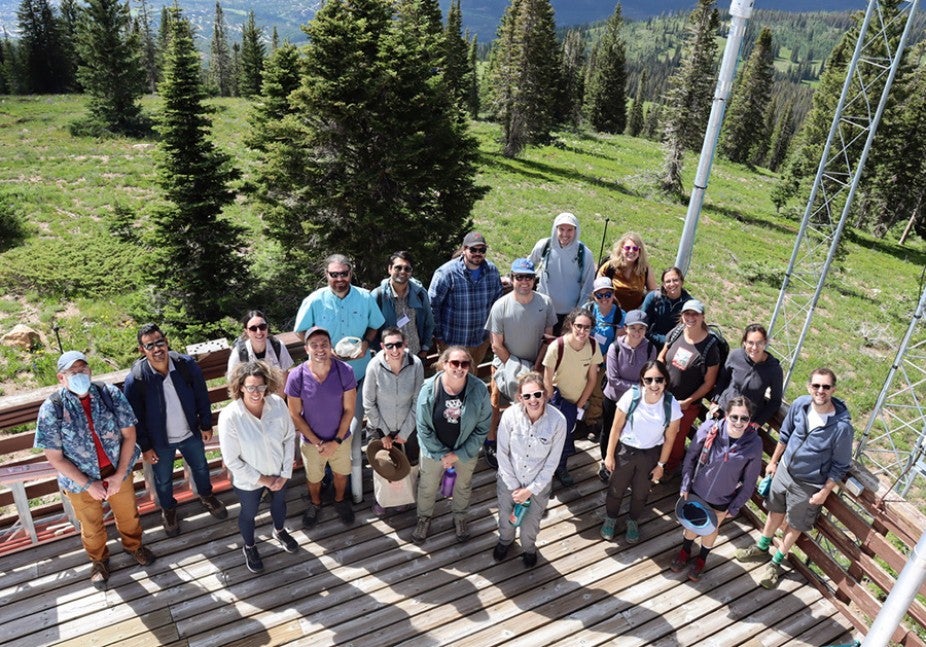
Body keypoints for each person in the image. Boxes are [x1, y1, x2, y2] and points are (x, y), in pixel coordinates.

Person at [35, 351, 155, 590]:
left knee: (128, 514)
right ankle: (99, 561)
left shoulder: (108, 393)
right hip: (80, 482)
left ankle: (134, 546)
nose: (80, 375)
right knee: (90, 525)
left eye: (83, 369)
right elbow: (54, 457)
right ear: (61, 378)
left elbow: (129, 434)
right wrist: (89, 484)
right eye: (73, 372)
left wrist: (119, 475)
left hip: (116, 470)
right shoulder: (52, 408)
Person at [736, 368, 854, 590]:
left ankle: (776, 563)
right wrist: (773, 462)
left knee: (797, 524)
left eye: (826, 387)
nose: (820, 391)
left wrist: (824, 492)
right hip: (784, 470)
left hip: (809, 484)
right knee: (775, 510)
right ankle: (762, 548)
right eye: (816, 386)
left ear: (833, 390)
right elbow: (785, 434)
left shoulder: (841, 427)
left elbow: (841, 465)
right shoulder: (800, 404)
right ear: (809, 387)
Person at [293, 254, 385, 504]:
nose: (339, 279)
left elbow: (375, 325)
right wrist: (321, 349)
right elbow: (301, 330)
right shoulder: (314, 300)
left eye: (344, 274)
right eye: (334, 274)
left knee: (350, 431)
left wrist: (366, 342)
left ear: (350, 273)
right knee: (327, 428)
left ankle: (348, 481)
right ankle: (327, 476)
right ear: (326, 275)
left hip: (357, 376)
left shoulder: (365, 297)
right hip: (326, 382)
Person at [124, 323, 227, 538]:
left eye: (159, 342)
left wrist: (206, 424)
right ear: (142, 350)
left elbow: (201, 395)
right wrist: (145, 446)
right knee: (162, 479)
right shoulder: (136, 379)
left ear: (166, 341)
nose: (156, 349)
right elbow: (135, 418)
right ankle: (168, 509)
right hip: (160, 441)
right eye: (149, 345)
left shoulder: (185, 365)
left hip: (190, 432)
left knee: (200, 467)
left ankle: (206, 496)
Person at [671, 396, 763, 581]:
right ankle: (685, 550)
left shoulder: (754, 444)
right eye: (734, 417)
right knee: (691, 525)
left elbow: (750, 481)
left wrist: (735, 505)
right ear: (726, 415)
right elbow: (691, 458)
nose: (738, 422)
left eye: (744, 418)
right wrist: (685, 483)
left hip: (723, 499)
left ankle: (701, 559)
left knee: (710, 530)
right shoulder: (709, 429)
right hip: (697, 490)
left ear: (750, 420)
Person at [219, 361, 297, 573]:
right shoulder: (229, 416)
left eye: (260, 387)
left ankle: (279, 531)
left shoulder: (278, 404)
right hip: (248, 481)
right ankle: (250, 546)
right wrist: (264, 480)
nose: (256, 392)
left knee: (279, 505)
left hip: (279, 472)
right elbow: (232, 460)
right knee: (248, 513)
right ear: (240, 387)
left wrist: (284, 474)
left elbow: (290, 437)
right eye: (250, 387)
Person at [412, 346, 491, 545]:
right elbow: (422, 427)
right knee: (427, 486)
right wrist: (442, 454)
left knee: (462, 486)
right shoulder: (429, 388)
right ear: (444, 364)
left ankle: (460, 517)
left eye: (464, 363)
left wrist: (457, 455)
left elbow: (482, 428)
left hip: (465, 451)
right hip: (432, 451)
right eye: (454, 363)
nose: (459, 367)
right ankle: (424, 517)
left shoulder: (479, 389)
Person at [600, 360, 682, 544]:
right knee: (616, 488)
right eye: (649, 380)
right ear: (642, 381)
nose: (654, 385)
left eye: (659, 380)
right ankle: (611, 518)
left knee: (641, 492)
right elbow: (615, 428)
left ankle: (632, 521)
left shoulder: (672, 405)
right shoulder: (631, 397)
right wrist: (610, 455)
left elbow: (670, 439)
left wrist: (661, 465)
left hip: (650, 454)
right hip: (625, 451)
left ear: (666, 381)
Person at [484, 258, 556, 462]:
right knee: (495, 403)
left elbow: (548, 338)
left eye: (529, 277)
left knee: (533, 405)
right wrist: (517, 367)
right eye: (519, 277)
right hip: (505, 364)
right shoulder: (500, 306)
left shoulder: (546, 303)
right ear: (512, 279)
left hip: (536, 365)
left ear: (534, 279)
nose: (524, 281)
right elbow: (496, 344)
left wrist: (535, 367)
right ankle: (491, 441)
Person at [285, 327, 358, 527]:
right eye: (314, 345)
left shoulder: (345, 371)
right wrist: (317, 443)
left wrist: (335, 441)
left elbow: (349, 410)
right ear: (306, 348)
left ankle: (340, 500)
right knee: (314, 477)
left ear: (330, 346)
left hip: (340, 438)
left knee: (341, 475)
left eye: (324, 344)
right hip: (311, 442)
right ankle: (315, 503)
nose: (320, 349)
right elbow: (295, 414)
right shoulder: (296, 376)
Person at [493, 371, 566, 568]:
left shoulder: (559, 421)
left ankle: (529, 548)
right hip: (509, 480)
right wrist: (515, 487)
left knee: (530, 525)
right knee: (506, 518)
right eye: (527, 396)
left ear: (545, 394)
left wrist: (529, 490)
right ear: (520, 398)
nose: (533, 400)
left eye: (537, 394)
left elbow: (552, 463)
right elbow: (502, 452)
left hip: (538, 486)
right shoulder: (509, 416)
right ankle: (505, 541)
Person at [363, 327, 425, 515]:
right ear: (382, 346)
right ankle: (383, 500)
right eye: (389, 346)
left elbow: (418, 401)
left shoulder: (416, 364)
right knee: (384, 465)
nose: (395, 350)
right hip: (380, 426)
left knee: (409, 464)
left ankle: (404, 498)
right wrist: (383, 434)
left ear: (405, 343)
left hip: (408, 425)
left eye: (398, 344)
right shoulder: (374, 365)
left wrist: (405, 432)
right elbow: (368, 403)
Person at [658, 299, 721, 473]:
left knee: (677, 439)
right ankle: (656, 462)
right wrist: (658, 383)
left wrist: (688, 401)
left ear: (703, 317)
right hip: (663, 396)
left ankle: (669, 468)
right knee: (658, 430)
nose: (690, 317)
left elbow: (709, 382)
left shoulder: (710, 347)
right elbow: (661, 357)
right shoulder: (677, 331)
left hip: (686, 406)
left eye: (695, 314)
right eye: (687, 313)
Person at [542, 308, 603, 486]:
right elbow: (547, 377)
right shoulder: (557, 346)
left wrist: (579, 406)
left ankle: (561, 467)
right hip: (556, 399)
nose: (582, 331)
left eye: (587, 327)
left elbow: (592, 379)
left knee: (567, 437)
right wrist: (551, 403)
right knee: (549, 438)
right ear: (570, 325)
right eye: (578, 326)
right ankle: (544, 474)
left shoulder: (593, 346)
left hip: (575, 402)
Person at [428, 231, 503, 370]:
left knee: (471, 378)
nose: (477, 253)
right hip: (452, 342)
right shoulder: (446, 273)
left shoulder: (492, 271)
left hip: (480, 340)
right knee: (449, 380)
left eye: (482, 250)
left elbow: (497, 304)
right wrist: (439, 336)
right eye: (473, 249)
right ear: (464, 249)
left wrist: (490, 335)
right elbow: (433, 306)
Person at [599, 310, 658, 482]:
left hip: (636, 402)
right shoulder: (614, 348)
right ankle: (605, 461)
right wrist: (639, 388)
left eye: (641, 328)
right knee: (609, 430)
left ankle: (623, 463)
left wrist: (642, 389)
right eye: (633, 328)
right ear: (625, 328)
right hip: (614, 399)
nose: (637, 332)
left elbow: (650, 376)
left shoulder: (650, 349)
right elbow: (613, 380)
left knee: (629, 432)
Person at [528, 212, 596, 335]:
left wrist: (578, 314)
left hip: (569, 316)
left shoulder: (585, 254)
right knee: (540, 346)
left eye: (570, 230)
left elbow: (587, 287)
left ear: (576, 231)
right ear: (555, 229)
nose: (565, 234)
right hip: (543, 310)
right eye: (561, 229)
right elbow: (528, 266)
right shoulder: (544, 246)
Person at [712, 324, 783, 428]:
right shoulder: (735, 356)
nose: (754, 347)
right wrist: (715, 400)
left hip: (744, 422)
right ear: (744, 342)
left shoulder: (774, 369)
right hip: (722, 412)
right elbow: (723, 378)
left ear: (765, 343)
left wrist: (758, 422)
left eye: (759, 343)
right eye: (750, 342)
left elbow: (775, 401)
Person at [371, 251, 435, 359]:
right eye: (398, 267)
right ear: (390, 269)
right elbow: (371, 329)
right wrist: (380, 353)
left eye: (407, 268)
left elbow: (429, 322)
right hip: (390, 358)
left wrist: (425, 348)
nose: (402, 271)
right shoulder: (378, 295)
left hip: (415, 357)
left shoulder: (420, 294)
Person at [226, 310, 294, 388]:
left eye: (262, 327)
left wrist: (278, 399)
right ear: (246, 331)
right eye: (253, 328)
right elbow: (233, 383)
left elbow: (284, 378)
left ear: (267, 327)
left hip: (277, 395)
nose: (259, 332)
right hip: (251, 397)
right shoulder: (238, 353)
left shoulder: (278, 346)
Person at [597, 232, 657, 311]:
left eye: (635, 248)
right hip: (610, 313)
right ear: (621, 249)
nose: (631, 251)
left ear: (639, 251)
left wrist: (642, 308)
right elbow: (597, 289)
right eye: (627, 248)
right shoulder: (610, 267)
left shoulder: (645, 269)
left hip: (634, 317)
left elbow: (653, 292)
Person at [641, 267, 693, 348]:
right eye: (668, 281)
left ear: (682, 282)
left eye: (675, 280)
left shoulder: (690, 304)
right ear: (664, 285)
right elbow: (642, 323)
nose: (672, 284)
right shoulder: (653, 297)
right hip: (649, 341)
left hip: (675, 346)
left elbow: (690, 332)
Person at [586, 276, 625, 357]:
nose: (604, 299)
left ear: (613, 294)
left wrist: (600, 362)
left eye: (607, 294)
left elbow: (617, 345)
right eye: (599, 295)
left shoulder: (620, 316)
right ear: (594, 296)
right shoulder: (587, 309)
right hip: (584, 356)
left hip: (606, 359)